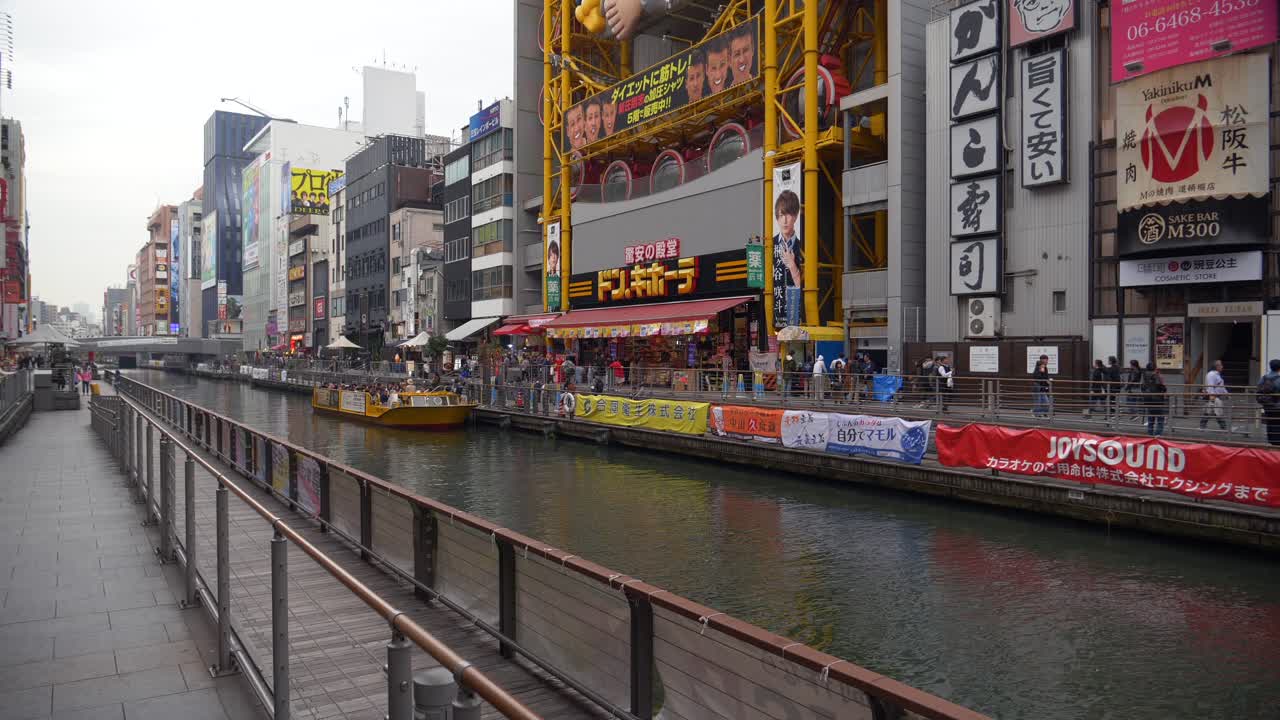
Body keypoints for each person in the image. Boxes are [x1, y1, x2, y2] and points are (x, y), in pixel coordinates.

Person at [771, 189, 803, 327]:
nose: (784, 220)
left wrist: (792, 265)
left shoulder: (802, 246)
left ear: (795, 216)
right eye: (781, 215)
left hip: (795, 311)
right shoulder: (770, 245)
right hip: (778, 310)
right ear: (777, 218)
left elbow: (802, 288)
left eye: (788, 215)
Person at [1199, 359, 1229, 432]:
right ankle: (1223, 427)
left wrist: (1226, 393)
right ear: (1217, 366)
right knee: (1217, 411)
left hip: (1214, 396)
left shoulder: (1216, 375)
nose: (1222, 366)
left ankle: (1202, 426)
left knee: (1209, 411)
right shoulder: (1212, 374)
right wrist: (1212, 395)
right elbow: (1210, 386)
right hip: (1213, 396)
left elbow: (1221, 386)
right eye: (1221, 365)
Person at [1257, 359, 1280, 446]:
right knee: (1277, 424)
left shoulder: (1264, 378)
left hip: (1267, 405)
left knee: (1270, 422)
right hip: (1277, 406)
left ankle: (1271, 441)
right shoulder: (1278, 379)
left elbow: (1259, 389)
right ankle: (1277, 443)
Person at [1142, 362, 1167, 437]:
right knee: (1160, 417)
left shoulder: (1144, 375)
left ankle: (1150, 433)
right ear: (1155, 368)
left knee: (1151, 416)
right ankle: (1158, 433)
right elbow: (1162, 387)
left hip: (1148, 398)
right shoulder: (1156, 375)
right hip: (1157, 398)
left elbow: (1142, 387)